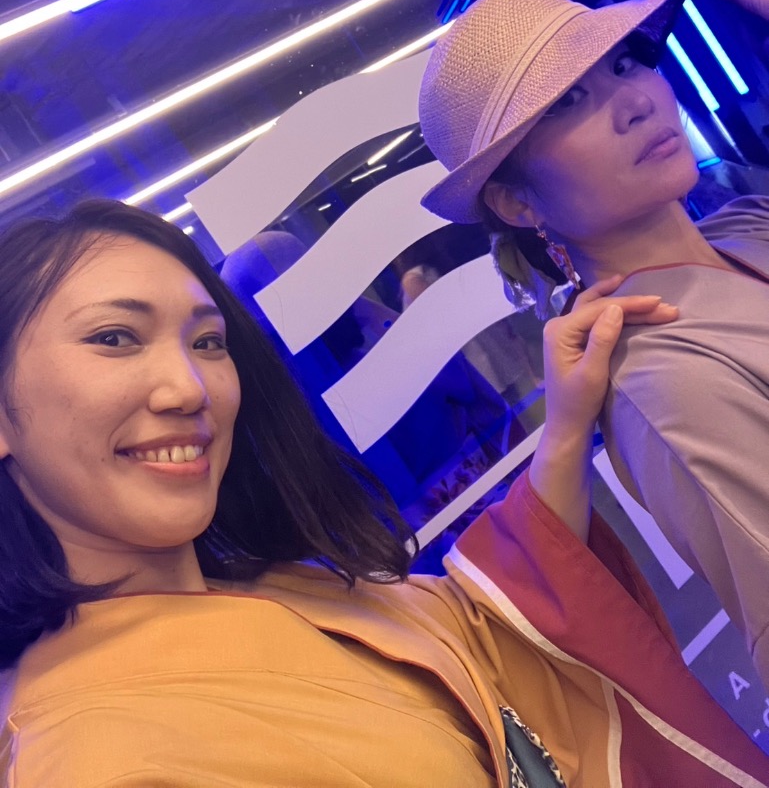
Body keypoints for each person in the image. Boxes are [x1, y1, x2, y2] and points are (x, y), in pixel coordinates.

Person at [0, 201, 766, 786]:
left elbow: (489, 633)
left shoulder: (275, 589)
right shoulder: (88, 758)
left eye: (208, 342)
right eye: (113, 338)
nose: (190, 387)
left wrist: (563, 425)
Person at [418, 0, 769, 690]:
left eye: (625, 63)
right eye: (566, 103)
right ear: (516, 201)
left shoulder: (747, 229)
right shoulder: (665, 378)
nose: (635, 100)